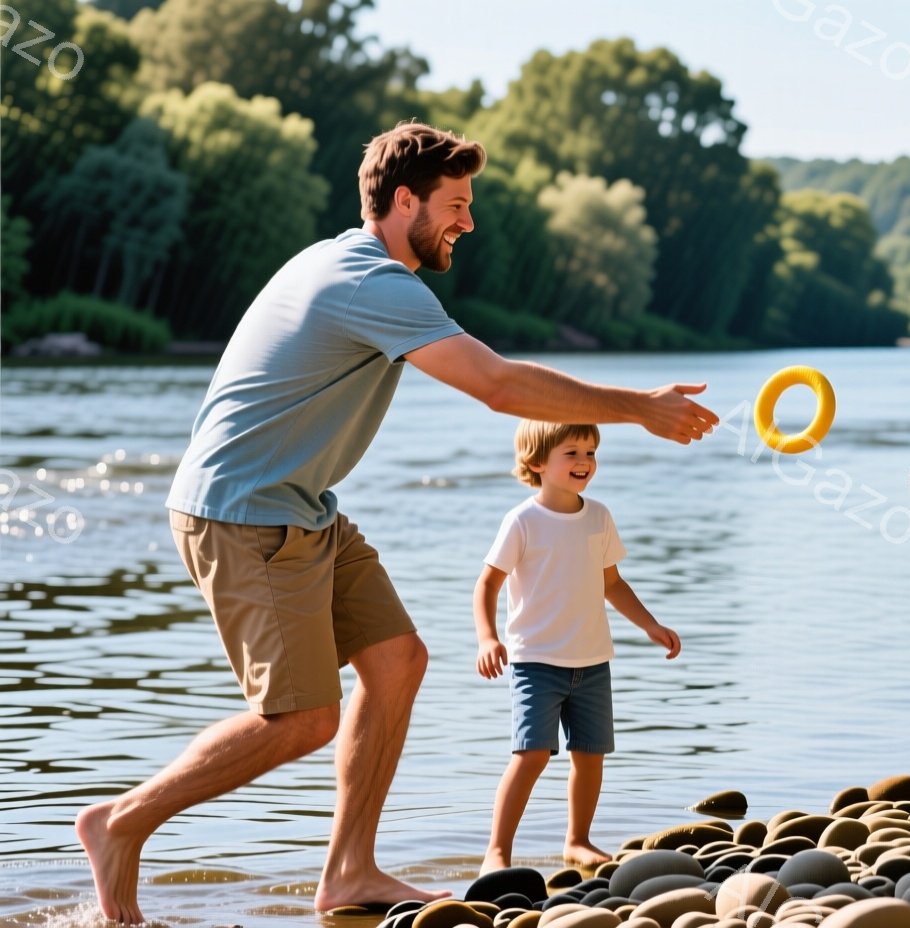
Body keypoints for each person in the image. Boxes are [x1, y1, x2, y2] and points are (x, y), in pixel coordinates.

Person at [75, 122, 719, 925]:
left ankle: (348, 873)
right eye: (455, 204)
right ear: (403, 200)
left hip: (302, 508)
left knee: (398, 660)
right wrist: (639, 410)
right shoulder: (369, 282)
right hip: (245, 514)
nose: (469, 223)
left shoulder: (350, 262)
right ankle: (119, 823)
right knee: (303, 718)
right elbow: (497, 385)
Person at [474, 420, 681, 872]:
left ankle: (577, 841)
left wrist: (649, 624)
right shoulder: (522, 521)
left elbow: (612, 583)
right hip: (536, 662)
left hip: (592, 661)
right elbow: (487, 584)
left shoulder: (599, 516)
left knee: (590, 756)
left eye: (590, 452)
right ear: (536, 463)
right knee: (530, 755)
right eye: (572, 453)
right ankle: (497, 851)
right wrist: (488, 637)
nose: (585, 461)